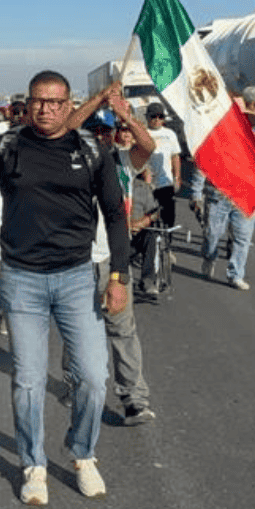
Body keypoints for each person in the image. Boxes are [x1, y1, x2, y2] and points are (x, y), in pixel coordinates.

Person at [0, 70, 130, 506]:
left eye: (56, 102)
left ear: (68, 103)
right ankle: (33, 464)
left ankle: (82, 454)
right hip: (22, 280)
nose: (47, 109)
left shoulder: (92, 149)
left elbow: (115, 215)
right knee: (28, 381)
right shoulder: (7, 147)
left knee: (94, 378)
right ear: (28, 102)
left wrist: (119, 277)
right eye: (39, 101)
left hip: (77, 278)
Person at [94, 110, 157, 424]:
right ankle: (75, 385)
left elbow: (148, 146)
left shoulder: (122, 163)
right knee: (80, 332)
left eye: (111, 130)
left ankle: (134, 400)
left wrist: (127, 117)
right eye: (98, 131)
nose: (104, 136)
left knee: (123, 331)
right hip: (75, 264)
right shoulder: (66, 161)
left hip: (112, 260)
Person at [199, 86, 255, 291]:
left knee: (242, 239)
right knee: (212, 235)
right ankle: (209, 256)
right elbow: (203, 165)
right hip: (220, 195)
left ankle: (235, 275)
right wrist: (195, 191)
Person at [143, 105, 183, 231]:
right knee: (148, 216)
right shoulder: (143, 133)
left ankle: (167, 246)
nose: (156, 119)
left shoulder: (170, 134)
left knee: (168, 216)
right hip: (147, 184)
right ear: (147, 117)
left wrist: (177, 177)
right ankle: (151, 244)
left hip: (165, 182)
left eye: (160, 116)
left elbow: (175, 156)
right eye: (153, 116)